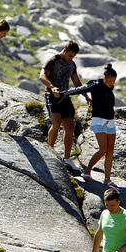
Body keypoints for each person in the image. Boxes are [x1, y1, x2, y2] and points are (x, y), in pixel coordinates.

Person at [65, 63, 118, 186]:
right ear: (105, 77)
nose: (112, 83)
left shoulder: (110, 88)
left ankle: (108, 179)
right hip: (98, 120)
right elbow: (80, 89)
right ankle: (87, 171)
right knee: (103, 149)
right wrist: (64, 93)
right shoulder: (95, 84)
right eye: (110, 80)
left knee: (110, 151)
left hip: (110, 121)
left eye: (114, 81)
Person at [39, 40, 87, 171]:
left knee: (70, 126)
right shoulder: (52, 60)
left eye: (74, 56)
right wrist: (52, 87)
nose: (71, 58)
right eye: (70, 55)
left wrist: (86, 95)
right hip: (52, 96)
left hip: (65, 96)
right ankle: (49, 152)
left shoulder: (71, 64)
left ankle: (66, 158)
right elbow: (42, 76)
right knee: (56, 123)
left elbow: (76, 81)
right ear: (64, 51)